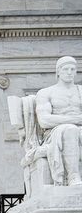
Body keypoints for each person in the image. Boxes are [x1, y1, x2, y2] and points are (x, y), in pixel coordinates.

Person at [34, 55, 82, 186]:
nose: (69, 72)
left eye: (73, 69)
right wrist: (75, 119)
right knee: (70, 130)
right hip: (54, 132)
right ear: (58, 71)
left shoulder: (80, 91)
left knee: (74, 130)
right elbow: (44, 120)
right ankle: (73, 176)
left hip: (79, 129)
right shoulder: (46, 92)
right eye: (66, 69)